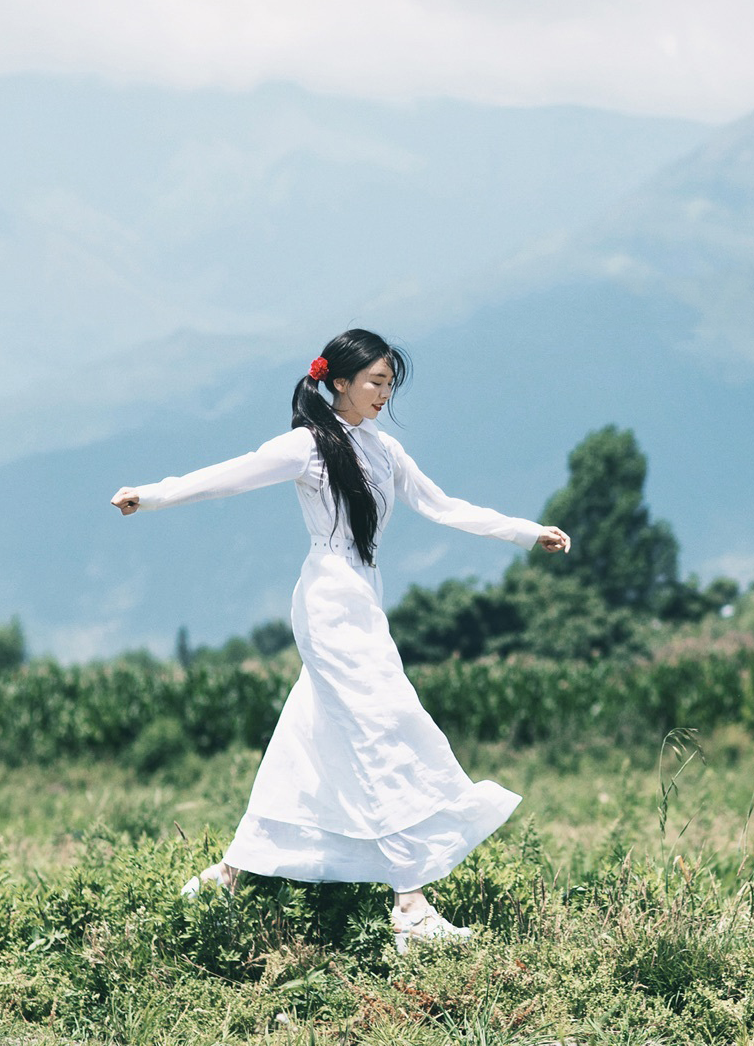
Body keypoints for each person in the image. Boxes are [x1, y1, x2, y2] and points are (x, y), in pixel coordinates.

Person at [111, 328, 570, 953]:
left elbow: (445, 507)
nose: (384, 394)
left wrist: (525, 531)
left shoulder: (385, 453)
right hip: (328, 599)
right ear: (339, 382)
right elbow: (232, 476)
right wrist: (154, 494)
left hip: (363, 597)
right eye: (376, 382)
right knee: (382, 727)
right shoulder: (307, 446)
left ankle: (231, 872)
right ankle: (409, 904)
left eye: (390, 384)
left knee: (310, 733)